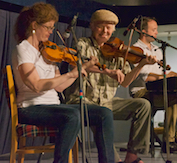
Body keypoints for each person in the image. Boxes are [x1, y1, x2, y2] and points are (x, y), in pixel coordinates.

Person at [12, 2, 115, 163]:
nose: (51, 32)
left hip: (54, 106)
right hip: (30, 107)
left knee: (104, 113)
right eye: (48, 27)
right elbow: (36, 85)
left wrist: (78, 73)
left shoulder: (47, 51)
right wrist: (72, 73)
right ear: (34, 25)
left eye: (52, 28)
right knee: (71, 115)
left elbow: (59, 86)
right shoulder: (23, 49)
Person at [64, 9, 157, 163]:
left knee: (143, 105)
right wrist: (107, 71)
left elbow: (126, 82)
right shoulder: (82, 44)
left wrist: (141, 64)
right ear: (93, 26)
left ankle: (132, 157)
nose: (105, 31)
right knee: (101, 113)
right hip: (82, 101)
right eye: (101, 26)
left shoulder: (118, 50)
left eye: (109, 27)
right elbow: (78, 65)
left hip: (107, 102)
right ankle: (113, 160)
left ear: (114, 29)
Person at [129, 16, 177, 152]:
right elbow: (146, 77)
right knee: (171, 98)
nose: (156, 33)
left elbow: (163, 73)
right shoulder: (134, 50)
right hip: (142, 91)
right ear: (143, 31)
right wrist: (171, 75)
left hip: (158, 90)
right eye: (154, 30)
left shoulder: (157, 50)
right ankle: (168, 141)